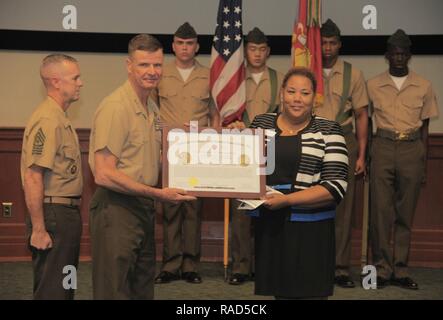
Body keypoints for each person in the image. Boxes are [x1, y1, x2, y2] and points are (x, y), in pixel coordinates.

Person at [88, 34, 196, 300]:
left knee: (141, 287)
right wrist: (159, 194)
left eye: (157, 65)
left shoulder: (151, 106)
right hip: (116, 209)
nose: (152, 72)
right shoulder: (116, 107)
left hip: (142, 208)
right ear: (129, 65)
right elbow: (103, 173)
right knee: (114, 289)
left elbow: (165, 140)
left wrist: (198, 139)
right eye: (144, 65)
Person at [250, 67, 348, 299]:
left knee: (310, 293)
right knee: (280, 293)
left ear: (314, 98)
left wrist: (286, 201)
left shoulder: (329, 129)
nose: (297, 98)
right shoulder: (261, 123)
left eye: (305, 93)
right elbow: (244, 168)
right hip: (271, 226)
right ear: (281, 93)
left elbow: (335, 186)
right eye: (291, 91)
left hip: (311, 231)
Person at [367, 29, 439, 290]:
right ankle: (381, 269)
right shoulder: (373, 85)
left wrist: (424, 162)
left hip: (411, 148)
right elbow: (366, 121)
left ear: (410, 56)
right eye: (394, 53)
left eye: (403, 54)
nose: (398, 58)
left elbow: (425, 127)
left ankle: (400, 269)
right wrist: (365, 157)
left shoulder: (423, 85)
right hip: (383, 146)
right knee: (380, 213)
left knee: (405, 214)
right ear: (387, 56)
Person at [154, 22, 220, 285]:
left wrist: (214, 143)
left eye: (189, 43)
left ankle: (191, 265)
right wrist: (159, 143)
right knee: (170, 207)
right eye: (180, 43)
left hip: (198, 150)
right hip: (170, 148)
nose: (185, 48)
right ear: (173, 46)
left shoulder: (209, 76)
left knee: (193, 207)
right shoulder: (160, 74)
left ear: (196, 47)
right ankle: (170, 265)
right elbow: (153, 111)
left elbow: (216, 113)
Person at [21, 54, 83, 299]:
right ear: (56, 82)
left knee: (64, 286)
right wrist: (38, 228)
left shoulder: (59, 116)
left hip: (64, 213)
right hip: (54, 214)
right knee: (54, 289)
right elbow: (33, 175)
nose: (81, 83)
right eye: (75, 78)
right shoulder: (48, 119)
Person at [227, 27, 283, 285]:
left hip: (270, 151)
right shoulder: (233, 80)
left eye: (262, 49)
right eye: (252, 48)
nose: (257, 54)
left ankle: (265, 264)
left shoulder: (279, 80)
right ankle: (240, 266)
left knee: (267, 209)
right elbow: (224, 114)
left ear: (268, 52)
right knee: (241, 213)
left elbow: (286, 117)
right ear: (245, 51)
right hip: (242, 152)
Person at [315, 19, 369, 288]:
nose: (327, 47)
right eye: (323, 42)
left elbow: (361, 114)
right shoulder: (306, 70)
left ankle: (339, 268)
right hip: (312, 141)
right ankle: (314, 264)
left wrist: (360, 155)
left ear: (340, 44)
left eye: (332, 43)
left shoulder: (353, 74)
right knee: (310, 202)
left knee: (343, 208)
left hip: (343, 140)